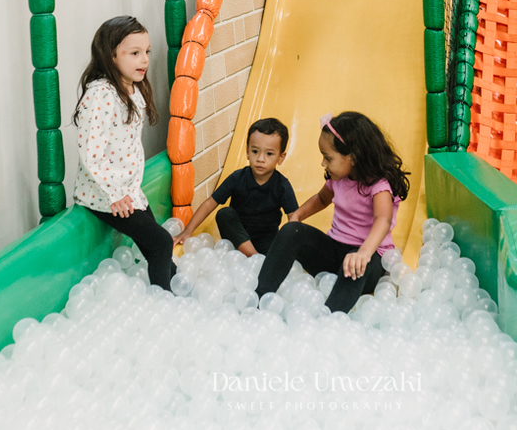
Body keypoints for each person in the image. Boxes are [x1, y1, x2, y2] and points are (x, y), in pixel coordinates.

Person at [255, 111, 410, 313]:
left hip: (369, 260)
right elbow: (321, 199)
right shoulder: (338, 178)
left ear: (352, 157)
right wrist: (298, 216)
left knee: (355, 266)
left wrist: (363, 253)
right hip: (335, 255)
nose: (323, 163)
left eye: (328, 158)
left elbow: (383, 219)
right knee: (291, 231)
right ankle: (259, 299)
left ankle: (329, 317)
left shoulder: (378, 184)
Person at [72, 16, 175, 289]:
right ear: (111, 55)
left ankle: (176, 294)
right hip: (106, 195)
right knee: (162, 243)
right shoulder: (101, 95)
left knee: (160, 252)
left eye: (147, 52)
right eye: (134, 53)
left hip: (128, 191)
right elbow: (90, 152)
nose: (144, 60)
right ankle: (163, 303)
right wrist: (115, 192)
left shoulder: (130, 90)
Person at [173, 118, 299, 257]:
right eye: (255, 151)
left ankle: (256, 257)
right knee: (224, 213)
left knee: (283, 240)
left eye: (269, 154)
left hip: (266, 240)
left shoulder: (282, 185)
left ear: (281, 157)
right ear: (247, 152)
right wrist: (188, 230)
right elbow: (210, 203)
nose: (260, 159)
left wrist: (290, 247)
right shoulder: (237, 178)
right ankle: (253, 256)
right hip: (237, 238)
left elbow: (294, 217)